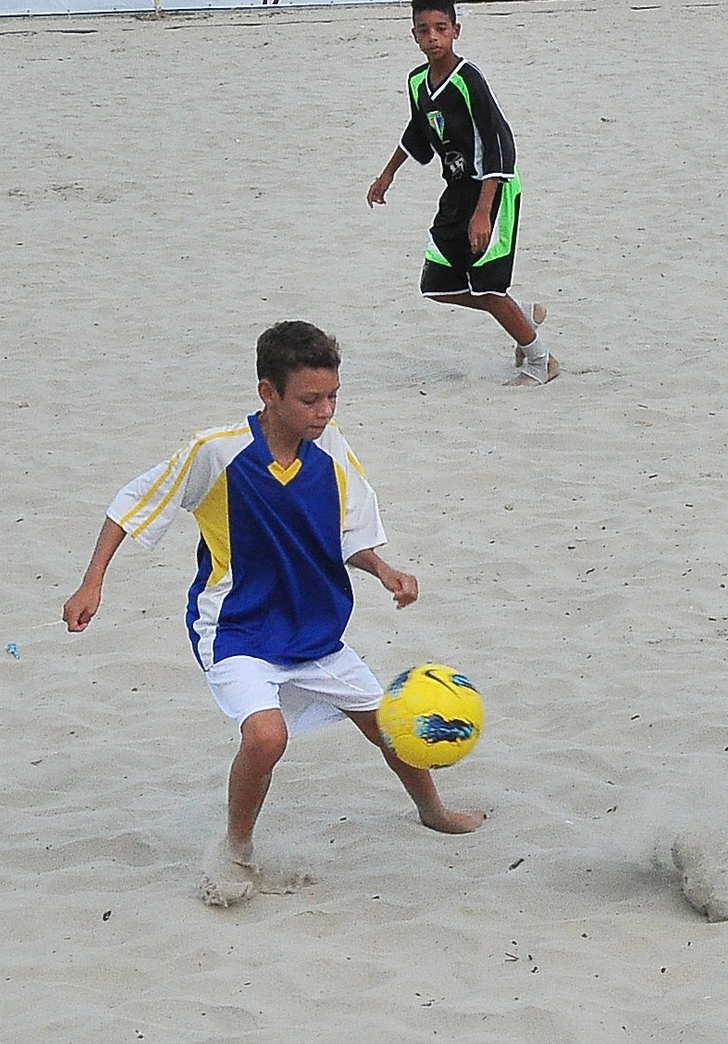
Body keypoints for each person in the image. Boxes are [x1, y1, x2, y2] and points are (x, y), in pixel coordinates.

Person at [62, 322, 484, 897]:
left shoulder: (333, 451)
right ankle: (236, 851)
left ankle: (432, 810)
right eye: (310, 400)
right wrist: (92, 584)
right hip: (237, 630)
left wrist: (385, 570)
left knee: (389, 727)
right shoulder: (216, 452)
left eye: (333, 397)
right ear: (269, 393)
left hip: (316, 633)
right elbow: (129, 506)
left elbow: (351, 534)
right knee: (266, 738)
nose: (325, 412)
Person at [366, 0, 557, 386]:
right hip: (455, 190)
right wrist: (388, 174)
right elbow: (418, 131)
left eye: (440, 28)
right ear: (414, 35)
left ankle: (540, 360)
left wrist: (484, 210)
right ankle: (516, 311)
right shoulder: (418, 81)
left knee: (487, 284)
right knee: (437, 285)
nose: (432, 37)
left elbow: (497, 140)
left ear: (456, 30)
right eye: (423, 30)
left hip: (492, 187)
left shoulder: (468, 79)